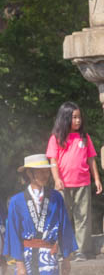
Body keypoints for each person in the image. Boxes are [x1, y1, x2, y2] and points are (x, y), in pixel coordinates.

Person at [46, 101, 102, 261]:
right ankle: (60, 250)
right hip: (63, 185)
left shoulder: (85, 137)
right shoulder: (56, 138)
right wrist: (56, 179)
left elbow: (91, 159)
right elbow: (53, 161)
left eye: (79, 117)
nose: (78, 121)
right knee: (62, 216)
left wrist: (96, 179)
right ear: (64, 118)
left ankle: (80, 251)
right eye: (74, 117)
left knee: (82, 217)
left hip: (83, 183)